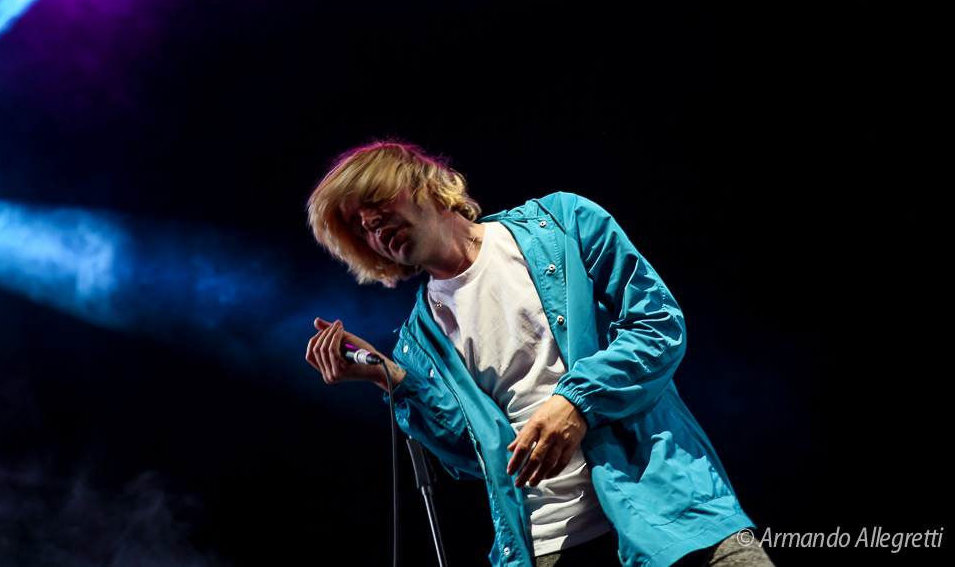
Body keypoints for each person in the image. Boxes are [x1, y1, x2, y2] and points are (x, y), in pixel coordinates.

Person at [305, 141, 773, 567]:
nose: (370, 224)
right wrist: (389, 376)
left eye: (374, 202)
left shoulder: (563, 223)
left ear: (424, 184)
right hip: (548, 546)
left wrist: (576, 403)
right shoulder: (419, 340)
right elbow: (475, 455)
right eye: (357, 225)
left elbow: (657, 326)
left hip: (670, 509)